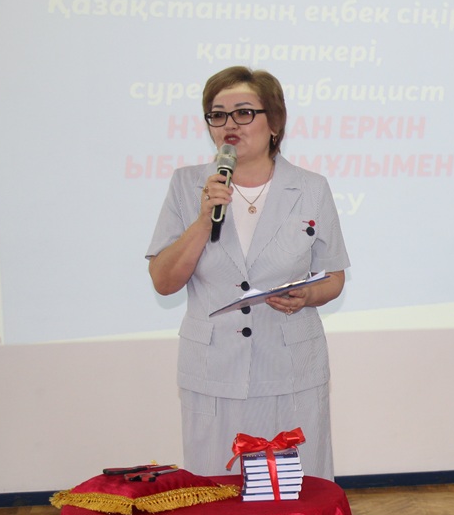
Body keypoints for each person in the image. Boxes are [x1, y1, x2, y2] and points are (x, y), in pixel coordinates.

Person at [146, 66, 349, 481]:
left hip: (291, 369)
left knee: (295, 490)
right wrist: (203, 219)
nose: (229, 125)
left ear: (274, 123)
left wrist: (308, 296)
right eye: (217, 115)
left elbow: (334, 276)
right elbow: (164, 282)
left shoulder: (311, 188)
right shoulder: (188, 186)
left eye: (243, 113)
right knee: (217, 493)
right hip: (213, 371)